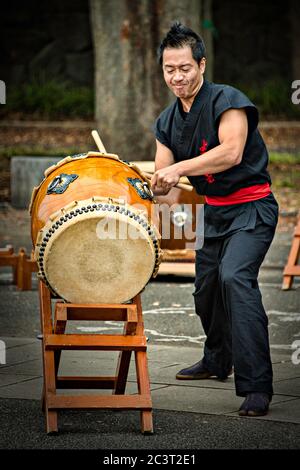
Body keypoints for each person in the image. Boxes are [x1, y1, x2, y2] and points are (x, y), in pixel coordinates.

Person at [150, 22, 278, 417]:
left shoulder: (228, 100)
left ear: (201, 65)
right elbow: (166, 181)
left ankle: (257, 386)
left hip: (252, 207)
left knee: (235, 278)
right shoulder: (166, 122)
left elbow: (231, 152)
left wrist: (179, 169)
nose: (177, 76)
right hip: (213, 212)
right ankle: (217, 359)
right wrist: (151, 189)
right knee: (206, 289)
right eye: (169, 69)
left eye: (184, 67)